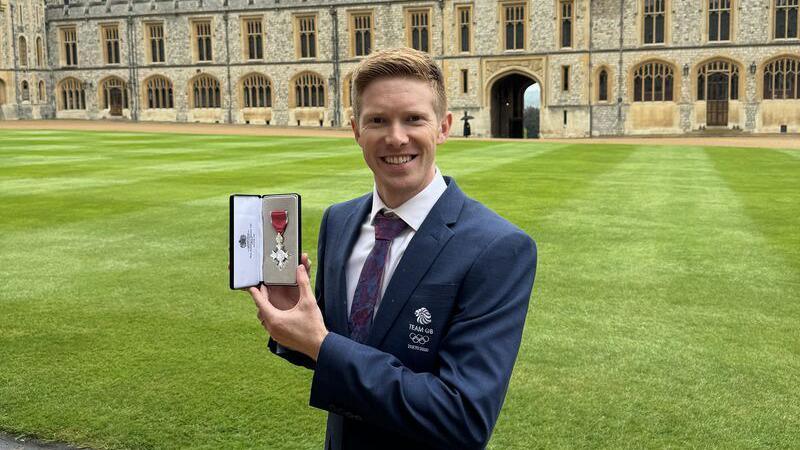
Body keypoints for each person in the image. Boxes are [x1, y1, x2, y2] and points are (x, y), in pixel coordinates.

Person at [247, 48, 537, 450]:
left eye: (414, 118)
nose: (396, 137)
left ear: (444, 127)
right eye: (378, 120)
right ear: (355, 130)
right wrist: (292, 319)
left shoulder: (497, 247)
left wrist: (320, 344)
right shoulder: (339, 221)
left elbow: (463, 417)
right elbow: (338, 346)